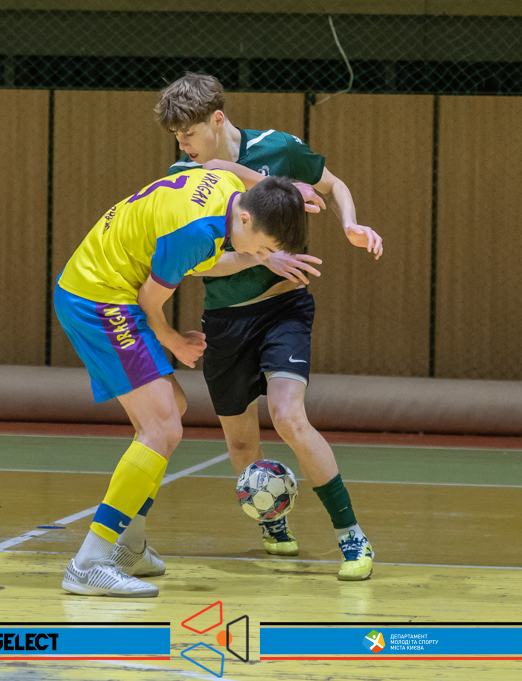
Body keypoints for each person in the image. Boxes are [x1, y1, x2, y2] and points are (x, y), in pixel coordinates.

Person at [154, 72, 383, 581]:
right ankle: (272, 523)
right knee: (240, 444)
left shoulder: (277, 148)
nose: (182, 144)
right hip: (225, 321)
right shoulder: (185, 176)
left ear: (217, 119)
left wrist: (348, 222)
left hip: (283, 309)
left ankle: (351, 536)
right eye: (176, 137)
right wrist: (257, 257)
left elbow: (332, 184)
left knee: (288, 417)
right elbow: (195, 265)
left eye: (188, 133)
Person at [56, 167, 308, 597]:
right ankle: (89, 562)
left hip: (104, 287)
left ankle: (130, 548)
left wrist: (267, 243)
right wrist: (174, 341)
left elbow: (205, 251)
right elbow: (149, 300)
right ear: (246, 219)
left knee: (172, 409)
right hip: (98, 298)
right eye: (264, 247)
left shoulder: (229, 189)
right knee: (163, 428)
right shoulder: (196, 232)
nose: (261, 256)